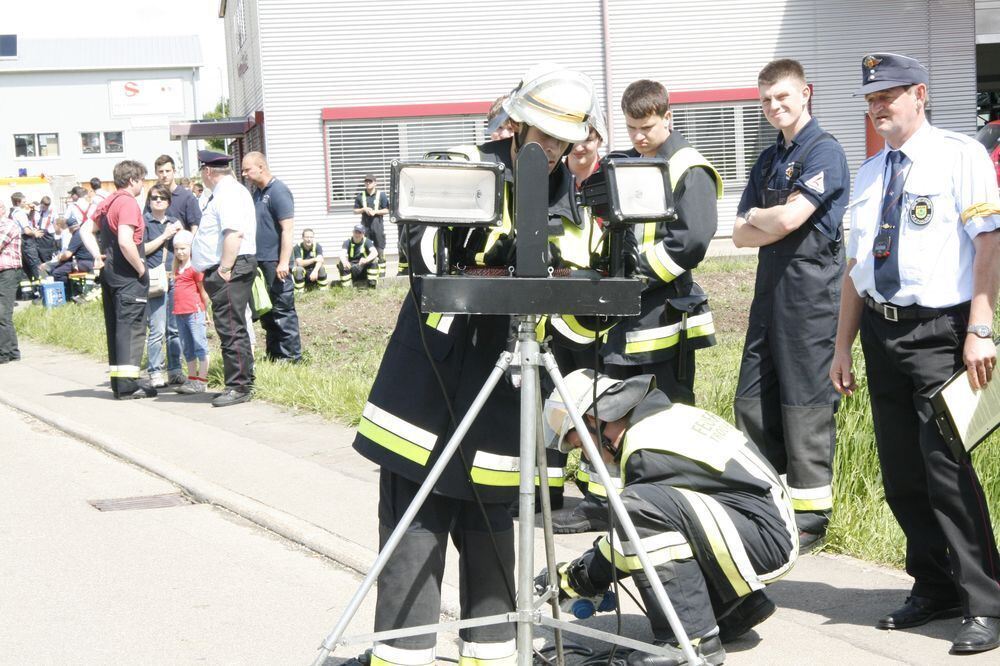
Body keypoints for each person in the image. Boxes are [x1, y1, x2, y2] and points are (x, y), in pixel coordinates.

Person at [350, 63, 606, 666]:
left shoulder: (571, 203)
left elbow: (571, 320)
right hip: (428, 393)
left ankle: (489, 656)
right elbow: (426, 252)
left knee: (495, 548)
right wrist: (500, 245)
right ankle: (400, 658)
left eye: (561, 142)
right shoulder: (459, 164)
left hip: (506, 395)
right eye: (540, 136)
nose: (549, 150)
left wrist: (584, 289)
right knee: (414, 540)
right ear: (514, 123)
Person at [830, 53, 1000, 655]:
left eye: (890, 96)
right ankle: (935, 586)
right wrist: (843, 344)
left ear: (920, 94)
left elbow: (988, 245)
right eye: (872, 100)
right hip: (881, 333)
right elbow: (856, 267)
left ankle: (985, 600)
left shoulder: (961, 155)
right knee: (902, 474)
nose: (879, 108)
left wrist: (981, 326)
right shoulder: (872, 172)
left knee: (946, 471)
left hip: (941, 332)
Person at [540, 369, 796, 666]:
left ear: (594, 421)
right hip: (761, 528)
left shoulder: (645, 448)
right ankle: (737, 608)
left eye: (581, 444)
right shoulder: (664, 417)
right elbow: (685, 519)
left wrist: (580, 576)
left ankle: (689, 643)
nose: (585, 456)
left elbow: (636, 532)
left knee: (638, 508)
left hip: (764, 539)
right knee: (648, 513)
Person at [558, 79, 722, 535]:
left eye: (647, 128)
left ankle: (665, 504)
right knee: (607, 405)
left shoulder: (689, 167)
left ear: (668, 116)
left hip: (661, 315)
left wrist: (635, 279)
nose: (639, 138)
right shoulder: (623, 163)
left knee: (660, 412)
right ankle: (600, 504)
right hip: (620, 315)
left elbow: (691, 242)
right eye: (631, 129)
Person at [730, 59, 850, 551]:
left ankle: (812, 518)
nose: (774, 106)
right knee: (753, 397)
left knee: (805, 403)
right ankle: (763, 503)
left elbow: (782, 222)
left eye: (783, 96)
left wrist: (763, 215)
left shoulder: (825, 152)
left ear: (806, 93)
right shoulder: (767, 159)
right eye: (766, 99)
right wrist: (767, 217)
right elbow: (738, 235)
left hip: (811, 299)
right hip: (769, 294)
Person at [78, 160, 156, 400]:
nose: (143, 185)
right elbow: (125, 240)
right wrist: (141, 267)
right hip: (127, 275)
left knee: (117, 328)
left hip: (110, 273)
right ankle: (128, 387)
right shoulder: (128, 203)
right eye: (141, 179)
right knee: (131, 329)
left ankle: (120, 383)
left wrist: (97, 255)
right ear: (132, 180)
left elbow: (84, 230)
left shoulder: (108, 201)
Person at [190, 150, 258, 408]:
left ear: (208, 172)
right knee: (231, 326)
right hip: (229, 266)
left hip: (230, 266)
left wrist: (225, 269)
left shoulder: (227, 194)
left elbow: (233, 233)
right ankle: (241, 381)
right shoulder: (227, 192)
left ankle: (239, 386)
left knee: (231, 327)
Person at [242, 151, 302, 363]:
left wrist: (284, 261)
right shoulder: (257, 193)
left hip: (276, 262)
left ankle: (292, 357)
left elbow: (288, 229)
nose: (244, 174)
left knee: (282, 309)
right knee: (267, 310)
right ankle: (275, 354)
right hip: (260, 261)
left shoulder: (278, 191)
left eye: (247, 169)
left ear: (261, 167)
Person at [142, 184, 183, 388]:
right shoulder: (145, 222)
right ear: (149, 201)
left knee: (174, 329)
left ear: (168, 202)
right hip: (156, 279)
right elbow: (142, 250)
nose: (158, 200)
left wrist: (180, 234)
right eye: (154, 197)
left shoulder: (175, 222)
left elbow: (184, 246)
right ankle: (155, 371)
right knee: (156, 329)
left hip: (173, 277)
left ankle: (175, 370)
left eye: (162, 197)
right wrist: (164, 236)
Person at [171, 230, 210, 394]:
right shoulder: (176, 268)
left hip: (194, 311)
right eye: (177, 249)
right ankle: (192, 377)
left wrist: (205, 310)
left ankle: (202, 380)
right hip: (180, 312)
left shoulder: (195, 268)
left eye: (183, 248)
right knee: (187, 347)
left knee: (200, 345)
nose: (180, 252)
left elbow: (203, 291)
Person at [144, 154, 202, 232]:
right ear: (156, 173)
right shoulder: (153, 196)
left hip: (180, 242)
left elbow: (195, 226)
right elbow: (145, 222)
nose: (164, 175)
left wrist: (190, 243)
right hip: (157, 242)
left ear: (174, 171)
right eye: (161, 171)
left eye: (167, 171)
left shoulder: (187, 196)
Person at [43, 214, 95, 289]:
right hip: (90, 261)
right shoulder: (84, 232)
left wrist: (60, 257)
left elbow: (67, 255)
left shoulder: (77, 235)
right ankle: (73, 289)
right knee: (62, 267)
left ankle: (70, 292)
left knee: (56, 272)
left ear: (69, 228)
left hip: (83, 262)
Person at [353, 174, 389, 276]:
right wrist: (363, 209)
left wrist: (376, 212)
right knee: (366, 249)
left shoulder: (381, 195)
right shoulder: (360, 195)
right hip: (365, 227)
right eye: (366, 181)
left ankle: (382, 275)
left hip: (377, 226)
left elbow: (387, 210)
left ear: (375, 183)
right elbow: (355, 210)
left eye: (370, 181)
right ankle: (367, 273)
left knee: (379, 249)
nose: (368, 183)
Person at [0, 200, 22, 364]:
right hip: (3, 271)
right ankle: (13, 351)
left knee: (3, 313)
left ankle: (4, 353)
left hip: (8, 271)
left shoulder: (8, 225)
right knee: (3, 313)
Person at [336, 223, 379, 288]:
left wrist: (366, 259)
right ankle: (346, 288)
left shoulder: (367, 241)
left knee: (374, 260)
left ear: (363, 234)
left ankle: (372, 285)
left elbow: (375, 252)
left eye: (360, 233)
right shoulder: (347, 242)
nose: (357, 234)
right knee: (342, 263)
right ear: (353, 232)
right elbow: (342, 253)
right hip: (352, 268)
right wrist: (345, 261)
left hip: (363, 267)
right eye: (356, 232)